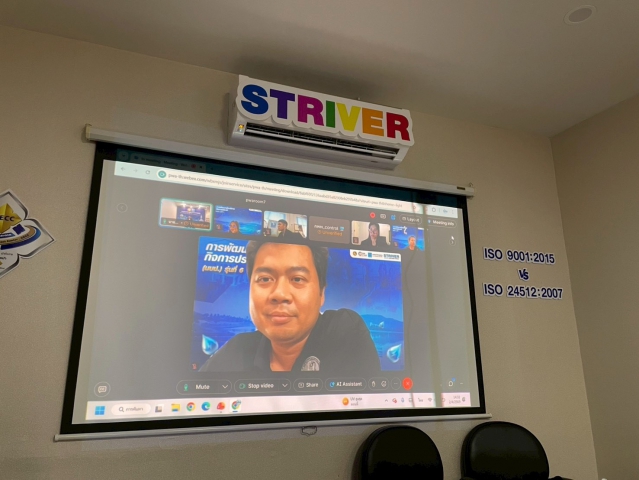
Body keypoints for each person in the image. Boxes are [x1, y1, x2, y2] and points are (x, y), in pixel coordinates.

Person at [199, 241, 380, 374]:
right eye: (265, 279)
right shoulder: (236, 351)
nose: (280, 294)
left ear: (321, 294)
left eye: (297, 279)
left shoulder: (343, 332)